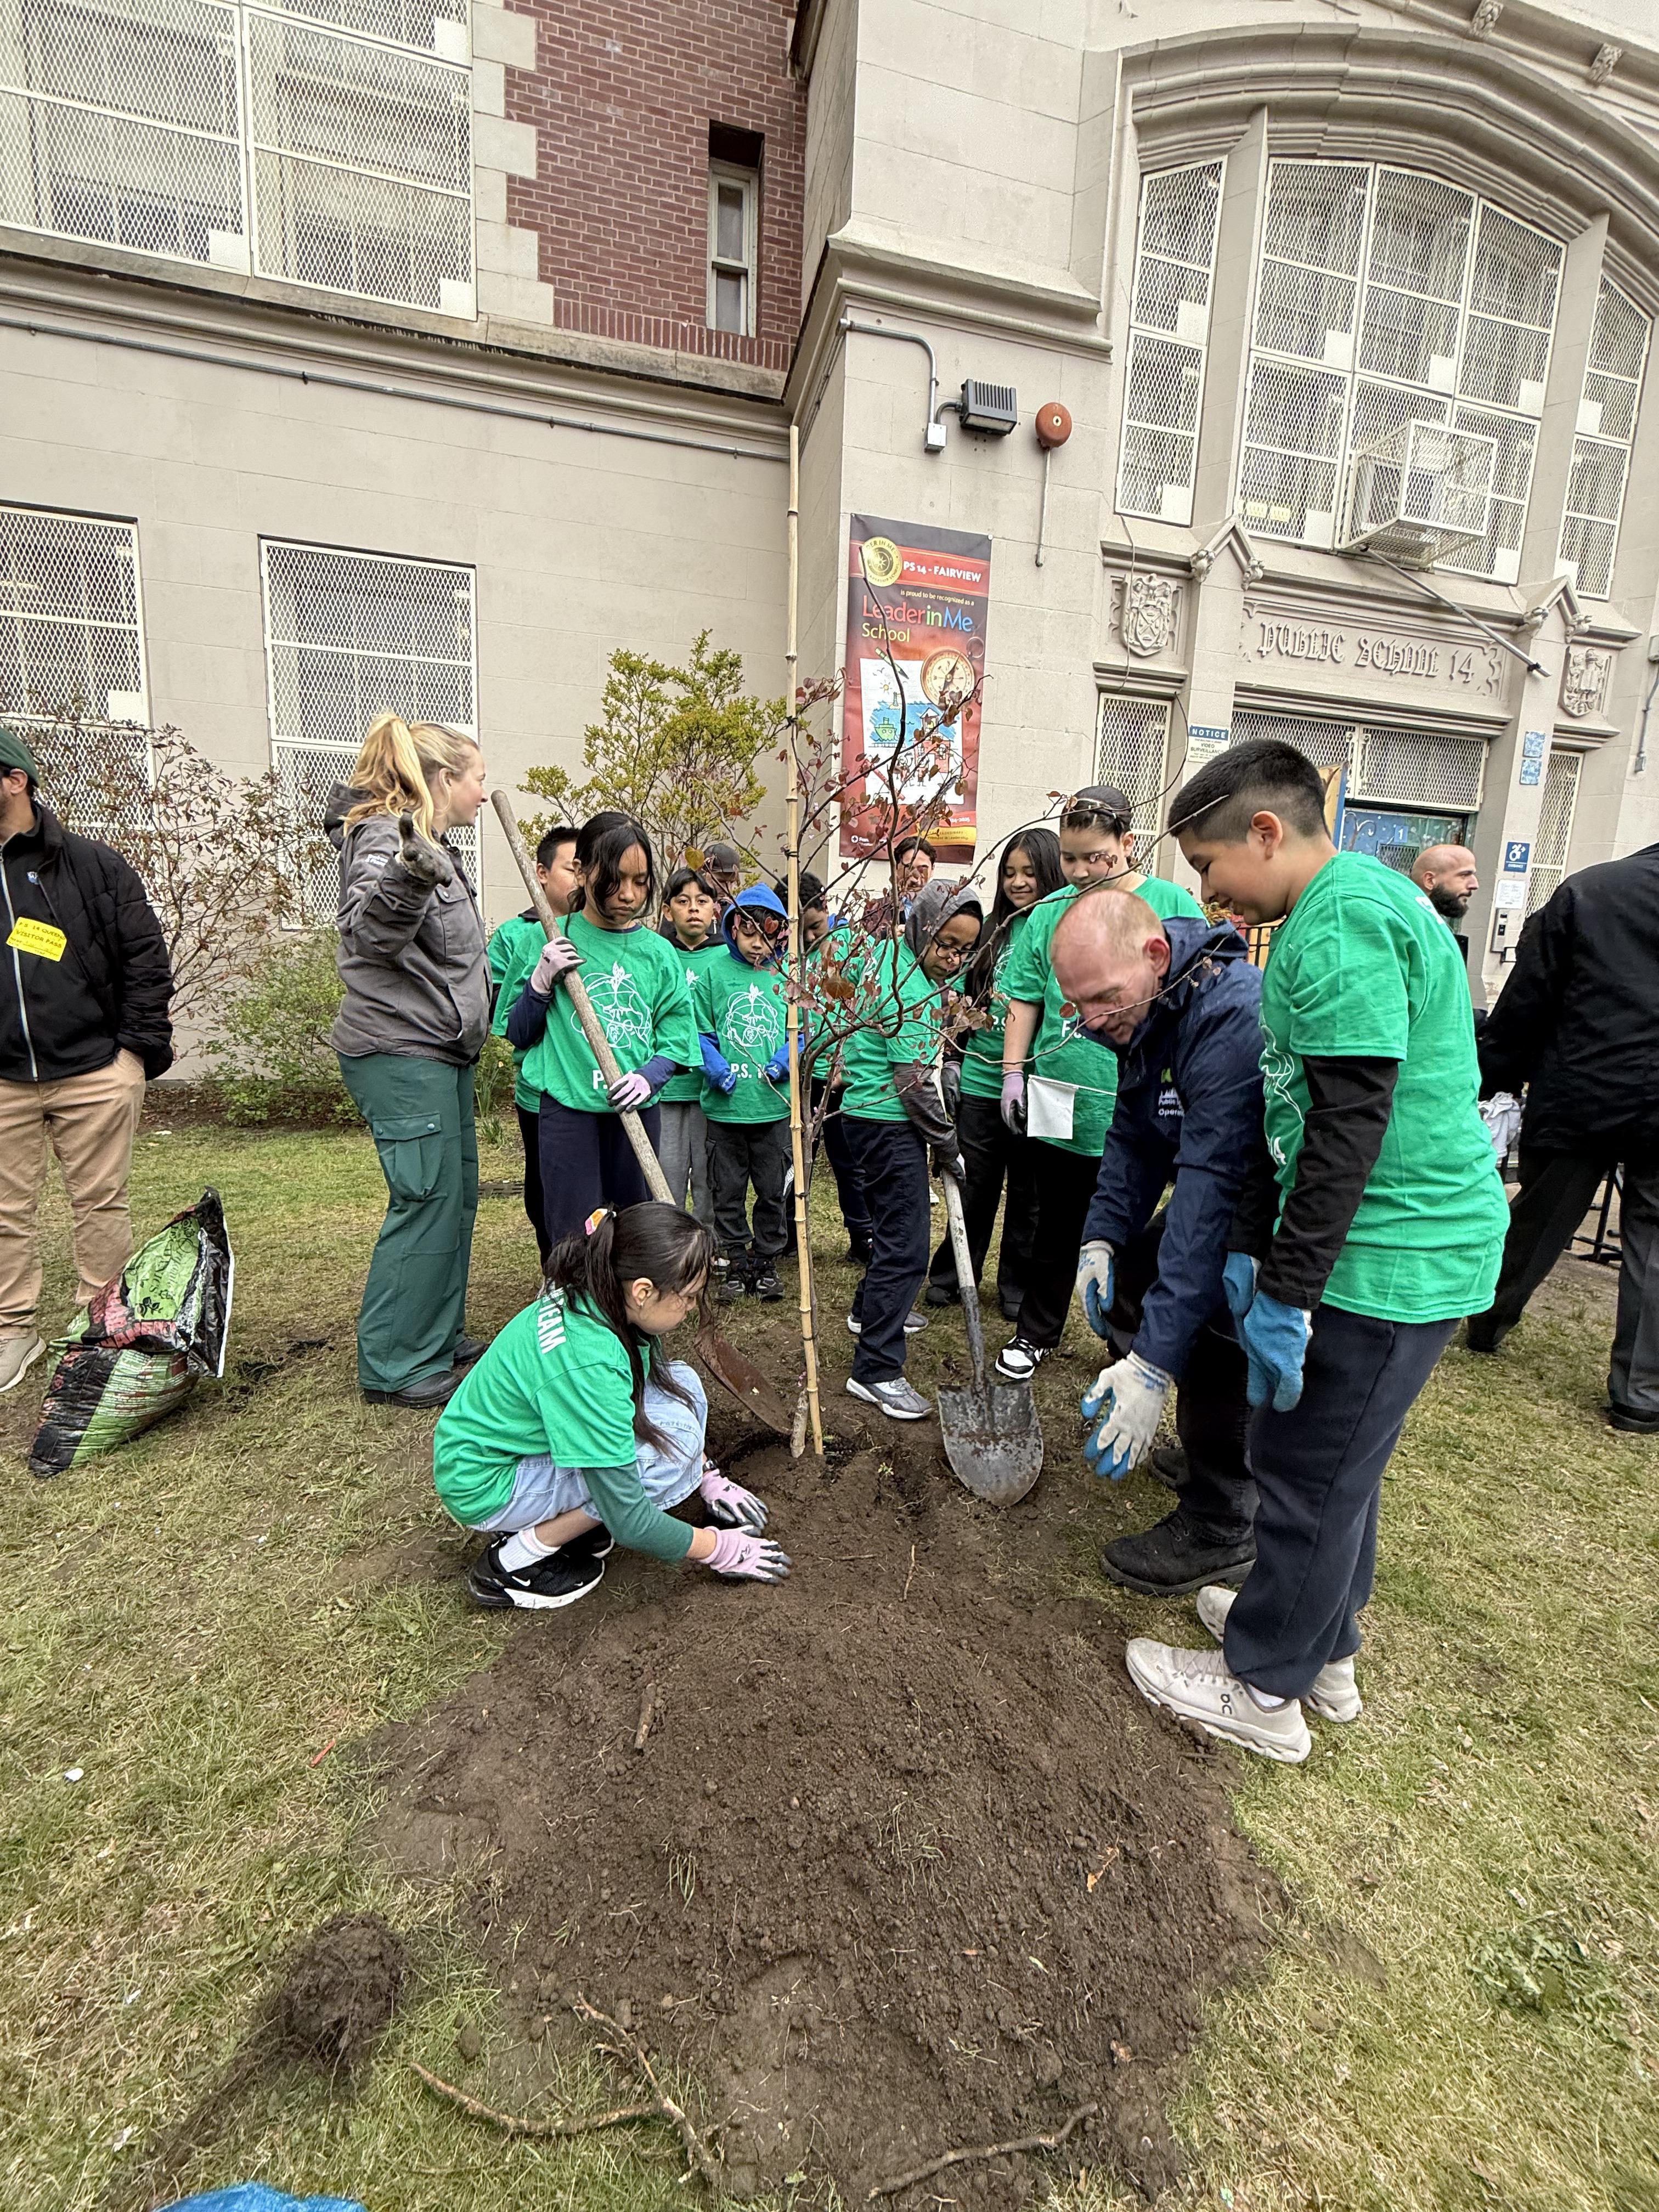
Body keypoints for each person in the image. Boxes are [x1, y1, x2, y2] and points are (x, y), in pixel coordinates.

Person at [1122, 739, 1506, 1763]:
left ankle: (1261, 1688)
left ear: (1263, 830)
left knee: (1300, 1470)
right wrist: (1253, 1244)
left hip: (1390, 1254)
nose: (1206, 895)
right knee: (1344, 1467)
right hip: (1378, 1246)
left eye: (1206, 867)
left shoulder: (1339, 924)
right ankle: (1321, 1645)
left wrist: (1287, 1291)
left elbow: (1345, 1127)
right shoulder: (1321, 916)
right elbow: (1281, 1112)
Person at [1051, 889, 1266, 1595]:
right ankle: (1206, 1453)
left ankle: (1225, 1516)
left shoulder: (1226, 1014)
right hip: (1216, 1195)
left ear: (1156, 955)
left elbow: (1207, 1202)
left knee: (1213, 1325)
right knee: (1139, 1281)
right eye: (1077, 1004)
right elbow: (1137, 1137)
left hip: (1257, 1209)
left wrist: (1151, 1367)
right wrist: (1103, 1239)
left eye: (1103, 999)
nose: (1092, 1020)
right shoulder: (1142, 1010)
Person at [435, 1202, 791, 1610]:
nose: (693, 1309)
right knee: (665, 1460)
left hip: (515, 1445)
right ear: (643, 1291)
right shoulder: (590, 1362)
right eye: (689, 1297)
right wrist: (720, 1549)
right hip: (487, 1483)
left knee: (684, 1387)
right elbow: (629, 1520)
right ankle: (512, 1564)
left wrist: (706, 1475)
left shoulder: (602, 1294)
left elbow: (650, 1384)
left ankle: (572, 1524)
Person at [995, 787, 1204, 1382]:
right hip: (1062, 1096)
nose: (1082, 871)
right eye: (1071, 858)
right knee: (1056, 1222)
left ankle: (1128, 1344)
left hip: (1139, 1100)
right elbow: (1024, 998)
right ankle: (1037, 1331)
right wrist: (1014, 1074)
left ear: (1128, 844)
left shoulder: (1172, 905)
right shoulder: (1046, 913)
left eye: (1097, 857)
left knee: (1133, 1232)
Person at [0, 726, 174, 1395]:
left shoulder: (92, 866)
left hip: (94, 1070)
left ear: (16, 780)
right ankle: (13, 1331)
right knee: (6, 1210)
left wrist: (133, 1055)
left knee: (100, 1203)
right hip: (5, 1080)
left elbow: (145, 961)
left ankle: (94, 1326)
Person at [1468, 839, 1659, 1434]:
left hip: (1586, 1084)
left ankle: (1489, 1318)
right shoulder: (1592, 888)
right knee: (1654, 1246)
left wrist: (1492, 1074)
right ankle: (1641, 1393)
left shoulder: (1592, 888)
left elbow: (1530, 998)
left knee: (1542, 1215)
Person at [328, 714, 490, 1410]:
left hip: (439, 1052)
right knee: (425, 1202)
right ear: (444, 779)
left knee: (454, 1201)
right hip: (401, 1051)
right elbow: (368, 932)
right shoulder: (385, 837)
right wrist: (408, 872)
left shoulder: (430, 843)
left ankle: (434, 1335)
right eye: (479, 778)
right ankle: (395, 1363)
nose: (487, 793)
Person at [507, 815, 698, 1247]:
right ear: (583, 871)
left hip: (634, 1110)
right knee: (573, 1231)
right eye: (614, 880)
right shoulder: (547, 939)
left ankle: (628, 1312)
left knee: (634, 1226)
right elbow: (518, 1033)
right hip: (567, 1109)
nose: (628, 895)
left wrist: (649, 1077)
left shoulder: (658, 954)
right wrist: (540, 984)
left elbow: (677, 1037)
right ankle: (572, 1303)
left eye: (641, 881)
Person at [839, 882, 979, 1420]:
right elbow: (913, 1086)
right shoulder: (909, 983)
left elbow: (914, 1056)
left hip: (870, 1118)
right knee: (908, 1245)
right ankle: (876, 1369)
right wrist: (948, 1145)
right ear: (921, 928)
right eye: (945, 943)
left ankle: (867, 1312)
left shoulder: (894, 961)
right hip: (888, 1121)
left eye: (963, 949)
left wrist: (942, 1061)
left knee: (896, 1232)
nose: (952, 957)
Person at [925, 827, 1063, 1318]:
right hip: (984, 1081)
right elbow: (964, 1001)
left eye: (1029, 873)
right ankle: (952, 1271)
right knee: (974, 1183)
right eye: (1009, 873)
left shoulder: (1057, 928)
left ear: (1051, 873)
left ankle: (1016, 1285)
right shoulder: (990, 931)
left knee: (1029, 1194)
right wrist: (955, 1060)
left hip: (1036, 1083)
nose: (1018, 883)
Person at [487, 823, 580, 1265]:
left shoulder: (605, 932)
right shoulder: (516, 936)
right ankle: (556, 1266)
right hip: (541, 1090)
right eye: (571, 868)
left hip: (597, 1085)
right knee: (547, 1185)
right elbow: (501, 1015)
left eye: (587, 867)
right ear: (540, 874)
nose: (580, 877)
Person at [695, 883, 792, 1302]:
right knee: (728, 1190)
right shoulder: (713, 973)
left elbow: (802, 1031)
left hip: (773, 1108)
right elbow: (697, 1031)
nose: (759, 946)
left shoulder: (787, 977)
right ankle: (735, 1260)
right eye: (750, 935)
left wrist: (785, 1060)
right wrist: (715, 1068)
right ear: (733, 929)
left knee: (773, 1190)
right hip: (726, 1111)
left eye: (767, 937)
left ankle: (766, 1261)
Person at [798, 873, 873, 1262]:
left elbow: (868, 1009)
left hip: (844, 1077)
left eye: (815, 927)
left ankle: (863, 1236)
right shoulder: (791, 955)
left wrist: (847, 1061)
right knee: (797, 1158)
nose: (810, 938)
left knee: (848, 1162)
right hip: (806, 1075)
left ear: (827, 908)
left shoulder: (855, 948)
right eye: (801, 930)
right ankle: (790, 1231)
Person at [656, 865, 724, 1223]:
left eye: (702, 900)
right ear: (668, 911)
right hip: (666, 1087)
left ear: (716, 907)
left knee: (709, 1173)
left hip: (711, 1090)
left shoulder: (727, 957)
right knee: (667, 1173)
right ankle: (671, 1244)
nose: (693, 909)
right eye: (683, 901)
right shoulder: (656, 953)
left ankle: (709, 1243)